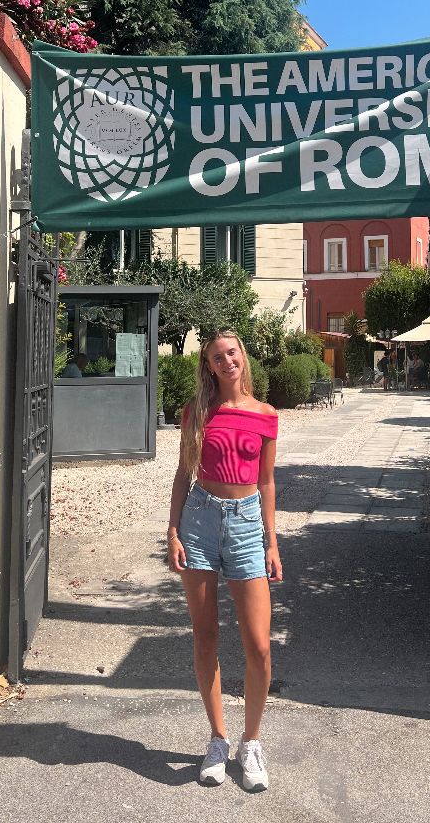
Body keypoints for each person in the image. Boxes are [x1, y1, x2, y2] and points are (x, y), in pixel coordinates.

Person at [167, 330, 281, 792]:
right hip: (199, 519)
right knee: (206, 635)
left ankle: (250, 742)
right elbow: (183, 473)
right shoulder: (197, 413)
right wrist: (173, 530)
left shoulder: (266, 416)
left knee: (259, 645)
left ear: (242, 357)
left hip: (246, 522)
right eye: (217, 356)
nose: (227, 360)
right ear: (210, 366)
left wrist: (272, 542)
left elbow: (268, 482)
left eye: (231, 352)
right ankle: (218, 739)